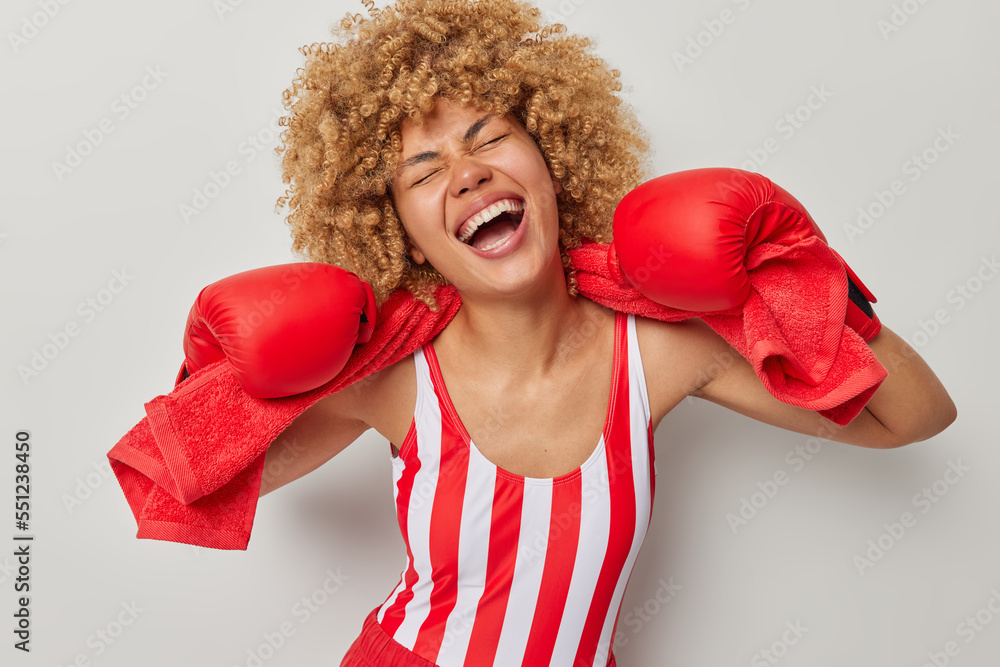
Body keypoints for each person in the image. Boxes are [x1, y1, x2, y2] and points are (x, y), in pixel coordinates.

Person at [189, 0, 957, 664]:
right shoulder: (396, 376)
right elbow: (195, 489)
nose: (465, 173)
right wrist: (218, 370)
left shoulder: (658, 352)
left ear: (550, 159)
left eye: (488, 137)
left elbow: (914, 417)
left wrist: (795, 272)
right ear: (410, 240)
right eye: (424, 173)